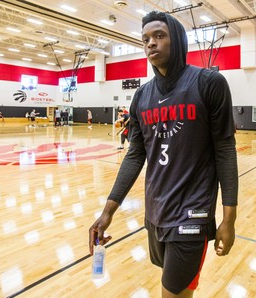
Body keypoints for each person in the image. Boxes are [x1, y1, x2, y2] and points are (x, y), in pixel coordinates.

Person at [89, 11, 238, 298]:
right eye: (145, 39)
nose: (151, 44)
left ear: (178, 41)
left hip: (193, 213)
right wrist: (108, 211)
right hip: (156, 212)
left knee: (170, 293)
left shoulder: (208, 84)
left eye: (159, 36)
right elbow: (135, 155)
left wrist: (228, 220)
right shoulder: (142, 96)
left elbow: (225, 152)